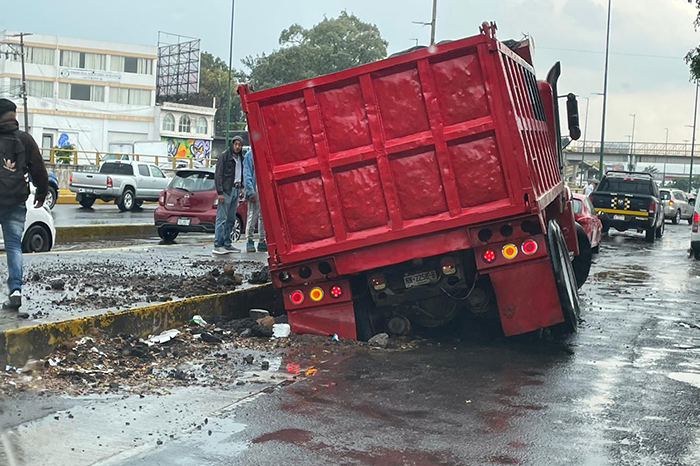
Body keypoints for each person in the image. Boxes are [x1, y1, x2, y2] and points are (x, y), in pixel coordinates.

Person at [0, 99, 48, 311]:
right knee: (13, 246)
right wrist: (42, 191)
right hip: (16, 200)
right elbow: (38, 168)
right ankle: (16, 291)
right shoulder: (24, 139)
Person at [213, 136, 245, 255]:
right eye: (235, 144)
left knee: (231, 219)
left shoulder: (240, 158)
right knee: (222, 218)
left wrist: (241, 187)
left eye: (239, 145)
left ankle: (227, 243)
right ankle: (218, 244)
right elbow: (218, 175)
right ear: (232, 144)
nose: (237, 147)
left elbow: (240, 173)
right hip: (227, 190)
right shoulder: (225, 156)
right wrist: (220, 192)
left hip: (236, 189)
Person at [243, 149, 266, 253]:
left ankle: (261, 240)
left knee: (262, 216)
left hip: (261, 187)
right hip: (255, 187)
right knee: (253, 215)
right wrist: (250, 191)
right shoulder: (249, 155)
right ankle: (250, 240)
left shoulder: (255, 154)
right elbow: (247, 174)